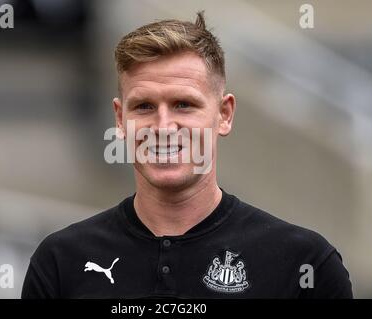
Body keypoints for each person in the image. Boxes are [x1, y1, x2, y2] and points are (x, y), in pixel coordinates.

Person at [21, 12, 353, 298]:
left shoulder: (304, 263)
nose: (164, 126)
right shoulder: (60, 262)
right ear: (120, 120)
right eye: (144, 106)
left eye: (184, 104)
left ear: (224, 114)